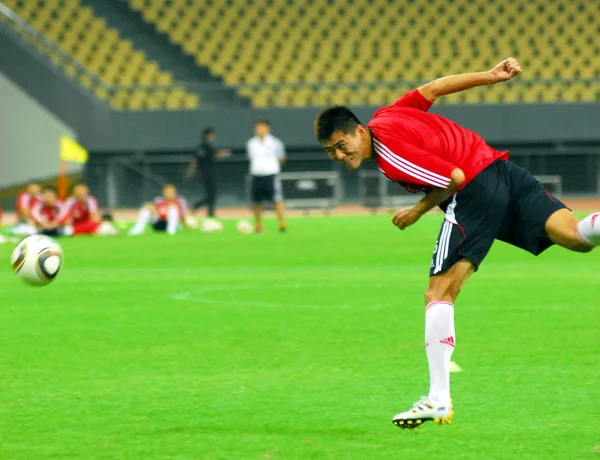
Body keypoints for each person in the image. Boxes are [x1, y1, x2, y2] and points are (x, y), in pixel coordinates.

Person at [314, 57, 600, 430]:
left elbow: (452, 178)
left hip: (474, 187)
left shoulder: (390, 155)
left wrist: (416, 211)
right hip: (502, 170)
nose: (339, 155)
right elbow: (434, 87)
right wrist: (489, 76)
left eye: (341, 144)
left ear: (357, 131)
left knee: (438, 292)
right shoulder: (388, 114)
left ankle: (437, 397)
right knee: (576, 236)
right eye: (331, 151)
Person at [247, 118, 287, 233]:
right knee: (256, 201)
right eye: (257, 127)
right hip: (256, 175)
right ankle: (258, 225)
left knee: (277, 199)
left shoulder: (275, 142)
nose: (259, 129)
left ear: (267, 128)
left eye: (262, 127)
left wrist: (271, 166)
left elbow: (281, 158)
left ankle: (282, 223)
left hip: (271, 174)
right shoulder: (251, 143)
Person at [185, 127, 230, 218]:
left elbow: (195, 161)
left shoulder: (202, 147)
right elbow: (216, 153)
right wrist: (225, 153)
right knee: (212, 194)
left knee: (211, 194)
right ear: (208, 135)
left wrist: (190, 172)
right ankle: (204, 209)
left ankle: (207, 211)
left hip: (206, 174)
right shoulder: (206, 146)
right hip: (209, 174)